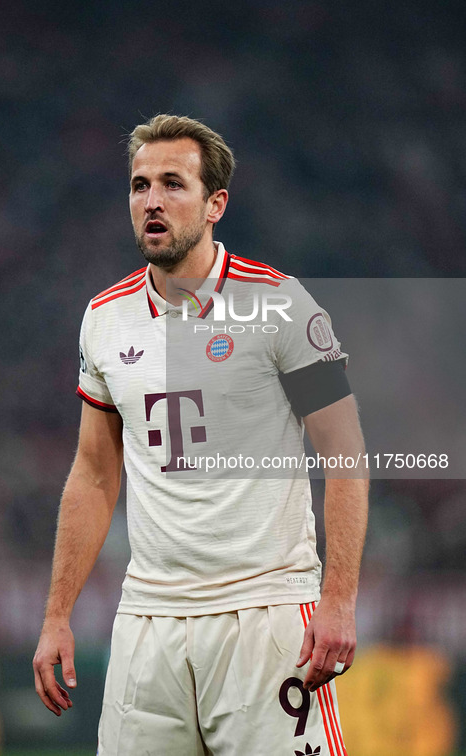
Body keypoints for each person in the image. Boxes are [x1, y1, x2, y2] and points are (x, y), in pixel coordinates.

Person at [33, 114, 369, 755]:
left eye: (171, 183)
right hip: (147, 623)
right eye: (138, 185)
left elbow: (345, 457)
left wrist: (340, 601)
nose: (151, 201)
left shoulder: (282, 305)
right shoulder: (106, 318)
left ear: (216, 203)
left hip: (266, 613)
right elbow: (95, 472)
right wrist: (56, 616)